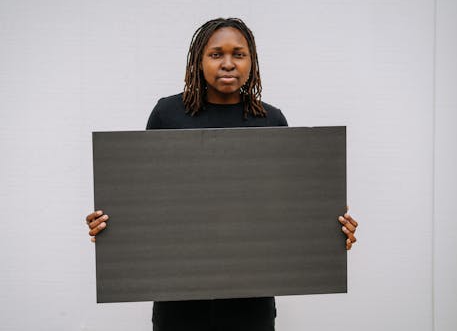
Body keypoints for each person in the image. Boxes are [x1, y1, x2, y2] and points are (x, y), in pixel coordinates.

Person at [85, 17, 358, 331]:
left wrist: (330, 231)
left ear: (251, 61)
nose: (228, 63)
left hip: (251, 301)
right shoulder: (167, 115)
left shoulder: (271, 120)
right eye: (216, 54)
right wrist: (110, 228)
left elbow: (287, 209)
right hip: (178, 301)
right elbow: (145, 200)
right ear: (198, 61)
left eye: (238, 54)